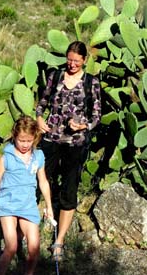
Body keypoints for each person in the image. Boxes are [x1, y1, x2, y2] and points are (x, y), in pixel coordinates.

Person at [36, 40, 101, 262]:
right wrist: (38, 119)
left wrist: (83, 126)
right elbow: (43, 101)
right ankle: (31, 227)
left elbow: (96, 116)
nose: (72, 64)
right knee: (40, 179)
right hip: (51, 138)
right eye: (69, 59)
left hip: (76, 143)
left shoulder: (91, 82)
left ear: (84, 60)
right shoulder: (55, 76)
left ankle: (59, 241)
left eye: (76, 60)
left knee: (69, 188)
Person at [0, 116, 53, 275]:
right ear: (15, 136)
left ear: (35, 138)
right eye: (21, 140)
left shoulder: (38, 157)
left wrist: (49, 207)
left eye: (29, 141)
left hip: (28, 206)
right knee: (12, 246)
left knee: (34, 247)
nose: (25, 144)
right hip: (7, 206)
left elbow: (43, 182)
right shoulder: (6, 158)